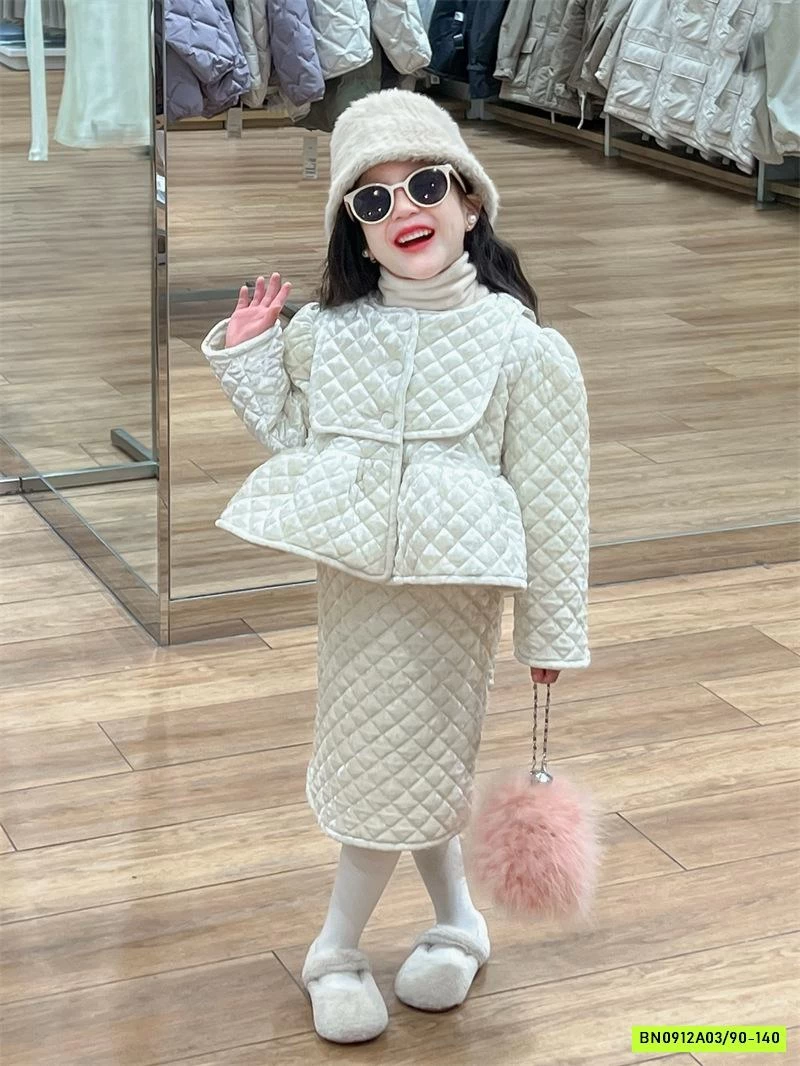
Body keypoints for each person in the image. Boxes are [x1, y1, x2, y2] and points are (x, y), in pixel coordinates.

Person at [202, 88, 590, 1045]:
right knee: (401, 764)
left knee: (405, 763)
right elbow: (296, 440)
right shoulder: (328, 333)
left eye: (424, 185)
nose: (402, 210)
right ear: (356, 229)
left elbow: (554, 503)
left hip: (454, 599)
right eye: (372, 200)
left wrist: (549, 635)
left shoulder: (524, 350)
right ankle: (459, 922)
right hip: (353, 592)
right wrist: (251, 358)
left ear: (470, 200)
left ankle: (334, 948)